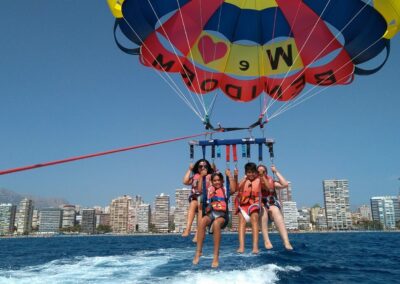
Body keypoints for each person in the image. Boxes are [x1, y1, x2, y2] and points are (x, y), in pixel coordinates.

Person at [192, 169, 237, 268]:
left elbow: (234, 190)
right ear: (212, 182)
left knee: (216, 224)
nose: (217, 182)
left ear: (222, 181)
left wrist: (230, 176)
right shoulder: (209, 190)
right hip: (211, 214)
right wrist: (201, 177)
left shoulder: (225, 190)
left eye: (219, 180)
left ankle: (216, 256)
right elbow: (199, 190)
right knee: (202, 221)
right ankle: (198, 252)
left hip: (222, 216)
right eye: (215, 180)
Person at [258, 164, 293, 250]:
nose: (261, 173)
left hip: (272, 206)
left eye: (263, 171)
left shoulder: (272, 182)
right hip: (262, 209)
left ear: (266, 173)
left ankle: (286, 241)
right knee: (262, 210)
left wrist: (276, 171)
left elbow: (285, 184)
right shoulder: (254, 182)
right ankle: (267, 241)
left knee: (276, 210)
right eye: (259, 172)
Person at [182, 159, 214, 242]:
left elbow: (217, 181)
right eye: (200, 166)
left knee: (200, 208)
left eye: (205, 166)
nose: (203, 168)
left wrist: (213, 169)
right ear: (197, 168)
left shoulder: (211, 176)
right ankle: (188, 229)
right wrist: (190, 169)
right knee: (193, 203)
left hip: (206, 201)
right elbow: (185, 181)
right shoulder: (195, 176)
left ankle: (197, 234)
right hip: (196, 199)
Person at [236, 162, 262, 254]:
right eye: (248, 172)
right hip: (243, 205)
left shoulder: (259, 180)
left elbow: (268, 187)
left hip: (254, 204)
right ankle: (241, 247)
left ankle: (255, 247)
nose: (251, 174)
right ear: (246, 173)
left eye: (253, 172)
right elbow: (236, 188)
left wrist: (262, 175)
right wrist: (236, 177)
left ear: (256, 172)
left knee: (254, 218)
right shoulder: (243, 181)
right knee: (242, 220)